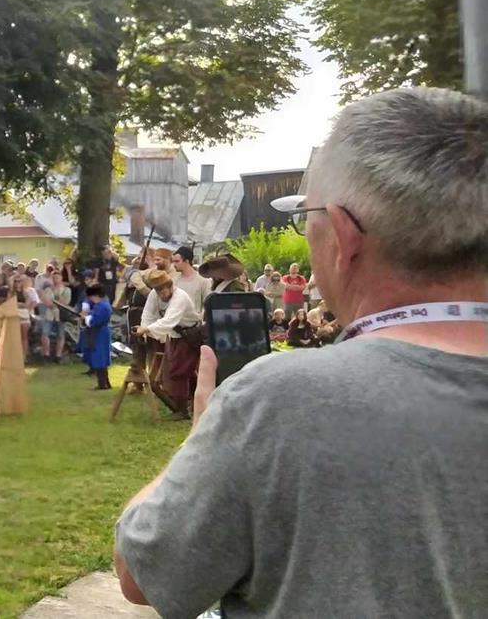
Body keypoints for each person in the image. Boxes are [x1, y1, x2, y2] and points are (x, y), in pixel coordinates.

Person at [115, 87, 488, 617]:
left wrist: (203, 437)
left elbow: (143, 574)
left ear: (343, 236)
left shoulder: (280, 401)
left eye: (306, 216)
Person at [135, 270, 201, 417]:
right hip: (175, 335)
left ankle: (182, 410)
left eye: (163, 290)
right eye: (158, 290)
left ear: (170, 286)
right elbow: (148, 314)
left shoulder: (180, 297)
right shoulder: (154, 294)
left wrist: (147, 329)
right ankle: (198, 401)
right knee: (186, 371)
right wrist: (143, 331)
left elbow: (169, 320)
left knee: (179, 371)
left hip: (190, 335)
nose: (161, 294)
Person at [82, 285, 113, 391]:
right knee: (100, 358)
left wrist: (86, 318)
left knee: (99, 357)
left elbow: (94, 321)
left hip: (100, 333)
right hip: (99, 333)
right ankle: (105, 383)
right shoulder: (102, 305)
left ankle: (102, 384)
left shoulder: (102, 306)